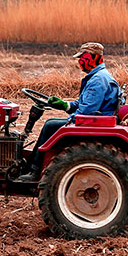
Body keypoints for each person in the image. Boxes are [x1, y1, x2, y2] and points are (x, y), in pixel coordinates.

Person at [18, 42, 121, 181]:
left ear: (90, 57)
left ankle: (34, 169)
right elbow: (83, 104)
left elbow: (86, 112)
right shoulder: (99, 76)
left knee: (50, 125)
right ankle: (32, 166)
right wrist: (63, 105)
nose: (79, 62)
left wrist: (70, 120)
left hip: (93, 122)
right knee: (52, 123)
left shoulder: (98, 80)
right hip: (98, 119)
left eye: (81, 58)